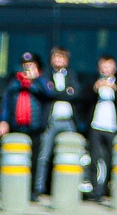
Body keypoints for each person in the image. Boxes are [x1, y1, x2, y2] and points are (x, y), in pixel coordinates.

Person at [81, 53, 117, 200]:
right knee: (96, 158)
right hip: (96, 126)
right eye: (103, 67)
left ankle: (108, 187)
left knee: (110, 159)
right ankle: (96, 189)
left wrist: (115, 89)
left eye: (108, 67)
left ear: (114, 68)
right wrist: (94, 89)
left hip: (113, 127)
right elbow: (82, 100)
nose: (105, 70)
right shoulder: (92, 82)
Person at [35, 44, 79, 186]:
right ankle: (39, 187)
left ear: (67, 60)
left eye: (62, 57)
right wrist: (65, 92)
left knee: (71, 154)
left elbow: (75, 93)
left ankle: (69, 186)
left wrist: (57, 93)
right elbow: (48, 92)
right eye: (56, 56)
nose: (59, 60)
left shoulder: (72, 74)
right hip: (51, 120)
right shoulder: (46, 74)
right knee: (44, 155)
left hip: (68, 121)